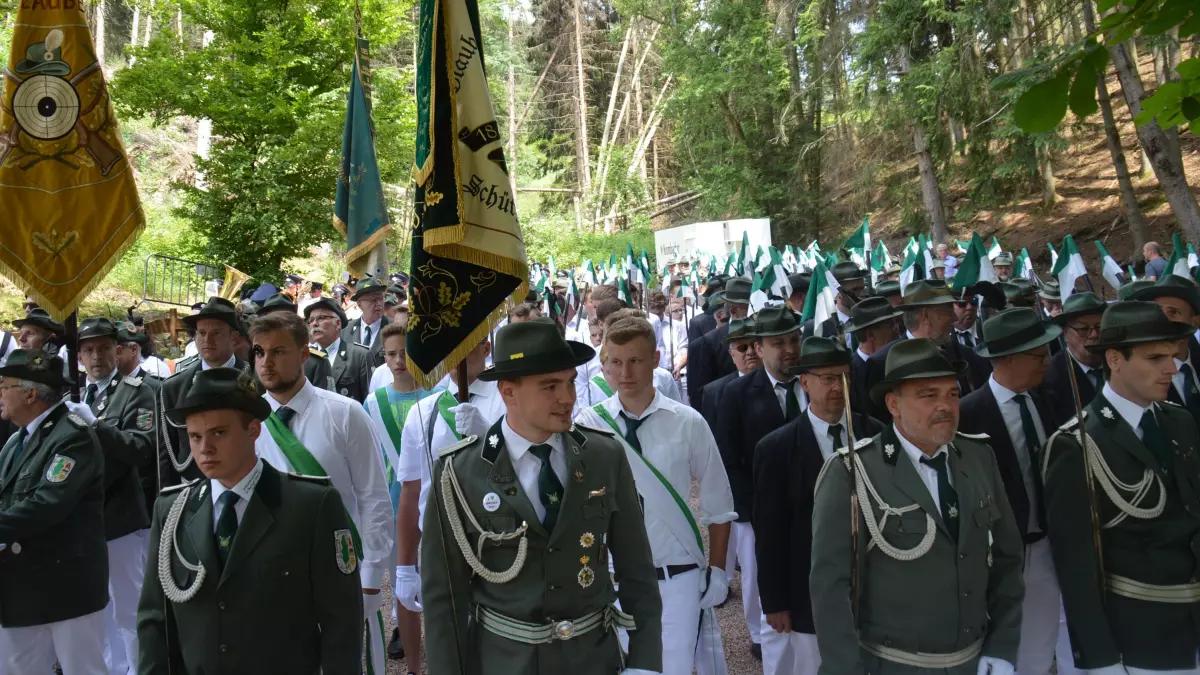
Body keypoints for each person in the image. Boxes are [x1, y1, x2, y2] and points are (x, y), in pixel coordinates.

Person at [421, 318, 663, 675]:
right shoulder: (460, 472)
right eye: (550, 386)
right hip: (504, 662)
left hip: (592, 659)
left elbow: (637, 570)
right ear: (509, 392)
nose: (567, 398)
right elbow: (443, 597)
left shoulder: (603, 456)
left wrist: (644, 665)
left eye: (570, 382)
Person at [810, 338, 1025, 674]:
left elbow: (1007, 558)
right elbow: (830, 588)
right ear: (893, 404)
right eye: (928, 395)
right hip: (894, 665)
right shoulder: (852, 473)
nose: (945, 406)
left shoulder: (978, 456)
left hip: (974, 660)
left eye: (952, 394)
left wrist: (1002, 646)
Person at [137, 367, 363, 674]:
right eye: (195, 436)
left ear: (253, 430)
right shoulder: (173, 511)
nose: (205, 449)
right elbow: (155, 621)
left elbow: (342, 620)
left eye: (219, 433)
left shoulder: (310, 505)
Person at [1043, 301, 1200, 672]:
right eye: (1155, 358)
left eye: (1172, 355)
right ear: (1114, 359)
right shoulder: (1077, 445)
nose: (1171, 368)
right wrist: (1101, 659)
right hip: (1141, 634)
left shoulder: (1179, 421)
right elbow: (1076, 566)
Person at [576, 316, 735, 675]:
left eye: (635, 360)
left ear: (656, 359)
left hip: (677, 576)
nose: (625, 372)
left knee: (672, 668)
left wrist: (718, 569)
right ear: (604, 365)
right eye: (616, 362)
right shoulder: (588, 424)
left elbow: (719, 504)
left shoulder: (688, 421)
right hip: (614, 577)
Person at [249, 311, 394, 675]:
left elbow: (374, 497)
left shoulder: (345, 414)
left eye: (278, 351)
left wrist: (371, 576)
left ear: (304, 354)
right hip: (275, 569)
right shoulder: (248, 423)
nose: (266, 362)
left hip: (342, 565)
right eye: (259, 352)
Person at [753, 337, 882, 675]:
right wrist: (776, 601)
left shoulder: (876, 435)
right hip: (807, 592)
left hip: (873, 591)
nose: (838, 387)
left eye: (844, 377)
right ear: (805, 382)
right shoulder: (776, 449)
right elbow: (770, 532)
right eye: (828, 378)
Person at [959, 308, 1061, 675]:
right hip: (999, 556)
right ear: (1007, 359)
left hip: (1049, 546)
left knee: (1040, 645)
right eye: (1038, 355)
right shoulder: (968, 414)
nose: (1047, 362)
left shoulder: (1049, 398)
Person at [0, 351, 108, 673]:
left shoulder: (72, 436)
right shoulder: (17, 441)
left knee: (82, 669)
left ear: (30, 394)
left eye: (4, 386)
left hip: (66, 588)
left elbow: (48, 504)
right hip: (21, 588)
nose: (0, 394)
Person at [393, 337, 503, 643]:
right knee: (448, 638)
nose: (456, 357)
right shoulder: (425, 410)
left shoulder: (510, 399)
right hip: (441, 541)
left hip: (498, 541)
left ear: (485, 349)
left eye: (465, 347)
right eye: (449, 349)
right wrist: (404, 566)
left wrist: (490, 437)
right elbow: (412, 492)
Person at [714, 305, 805, 661]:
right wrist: (751, 511)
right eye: (779, 343)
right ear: (759, 347)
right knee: (758, 576)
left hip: (812, 502)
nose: (789, 350)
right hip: (758, 509)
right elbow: (728, 457)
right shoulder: (737, 394)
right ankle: (759, 635)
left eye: (794, 340)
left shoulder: (813, 383)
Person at [77, 317, 160, 675]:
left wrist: (97, 427)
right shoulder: (75, 394)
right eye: (89, 350)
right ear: (79, 356)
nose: (97, 356)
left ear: (118, 350)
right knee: (97, 608)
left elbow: (140, 448)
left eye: (104, 348)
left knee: (128, 606)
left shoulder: (135, 391)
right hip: (83, 518)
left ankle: (139, 669)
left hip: (120, 515)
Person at [362, 323, 437, 670]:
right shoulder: (373, 403)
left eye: (404, 353)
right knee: (403, 578)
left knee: (435, 577)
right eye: (390, 354)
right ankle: (411, 658)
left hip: (432, 499)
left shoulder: (437, 395)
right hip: (394, 503)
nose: (397, 361)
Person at [865, 280, 991, 422]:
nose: (954, 317)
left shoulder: (969, 356)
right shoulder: (881, 363)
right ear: (925, 315)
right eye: (948, 310)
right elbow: (879, 419)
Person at [159, 297, 250, 486]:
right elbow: (166, 453)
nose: (207, 340)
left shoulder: (255, 381)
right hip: (193, 487)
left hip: (245, 483)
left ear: (234, 337)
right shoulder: (174, 387)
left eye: (216, 333)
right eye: (201, 333)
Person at [1133, 275, 1200, 425]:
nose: (1163, 320)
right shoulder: (1139, 375)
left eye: (1173, 312)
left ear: (1195, 322)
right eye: (1157, 313)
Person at [1040, 292, 1107, 429]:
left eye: (1099, 327)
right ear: (1065, 333)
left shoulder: (1122, 364)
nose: (1094, 335)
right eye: (1083, 329)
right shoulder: (1051, 378)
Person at [688, 278, 749, 410]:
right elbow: (699, 399)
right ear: (734, 310)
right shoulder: (704, 345)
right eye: (751, 308)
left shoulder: (766, 338)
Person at [304, 297, 374, 402]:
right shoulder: (305, 356)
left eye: (321, 318)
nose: (314, 324)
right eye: (311, 320)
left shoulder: (359, 355)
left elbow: (370, 399)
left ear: (338, 323)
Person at [844, 297, 901, 412]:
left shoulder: (899, 361)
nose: (897, 329)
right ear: (870, 334)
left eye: (896, 322)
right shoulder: (850, 373)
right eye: (890, 325)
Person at [699, 317, 760, 424]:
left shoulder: (778, 383)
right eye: (742, 348)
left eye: (754, 346)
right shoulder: (714, 392)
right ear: (732, 354)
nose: (750, 352)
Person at [342, 277, 390, 367]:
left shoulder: (395, 328)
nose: (379, 303)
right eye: (373, 300)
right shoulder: (346, 330)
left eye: (381, 298)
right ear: (359, 304)